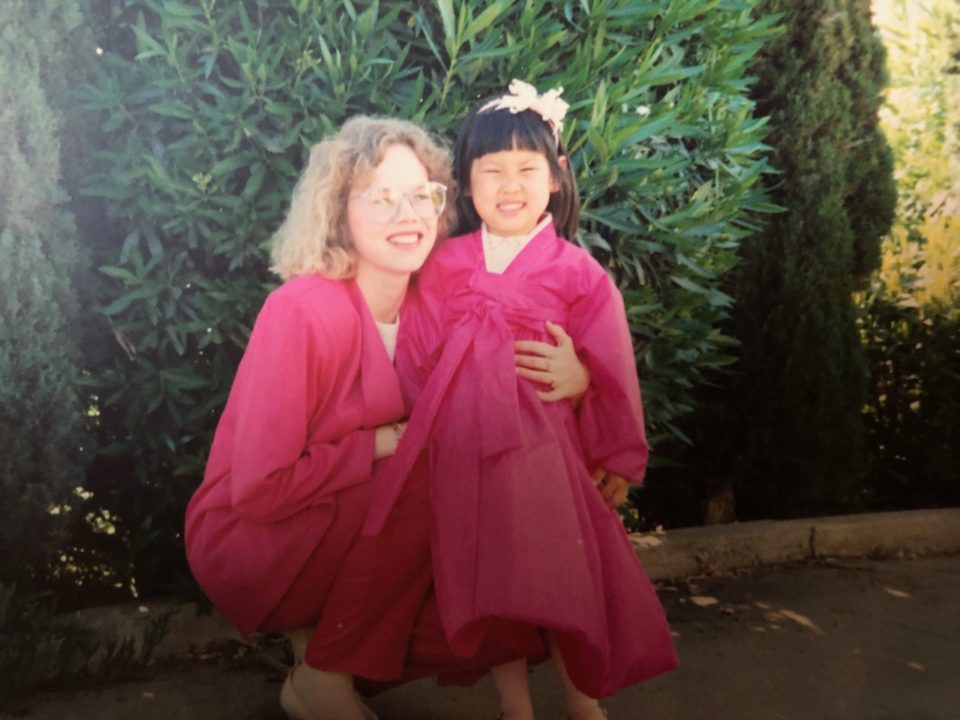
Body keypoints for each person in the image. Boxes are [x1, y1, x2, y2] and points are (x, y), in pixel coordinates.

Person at [184, 115, 590, 720]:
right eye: (381, 197)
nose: (409, 213)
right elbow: (259, 489)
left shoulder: (438, 301)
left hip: (345, 527)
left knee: (485, 495)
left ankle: (327, 653)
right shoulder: (301, 311)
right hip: (256, 542)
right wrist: (376, 443)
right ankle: (325, 672)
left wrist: (579, 382)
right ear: (337, 212)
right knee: (440, 475)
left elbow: (509, 404)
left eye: (422, 195)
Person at [363, 81, 679, 720]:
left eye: (526, 169)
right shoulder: (444, 266)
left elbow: (610, 360)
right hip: (464, 456)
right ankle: (515, 706)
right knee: (491, 588)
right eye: (492, 170)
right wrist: (407, 429)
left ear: (557, 179)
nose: (510, 185)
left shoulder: (577, 273)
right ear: (467, 184)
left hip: (545, 459)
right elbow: (417, 353)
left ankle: (582, 702)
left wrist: (587, 388)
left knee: (561, 577)